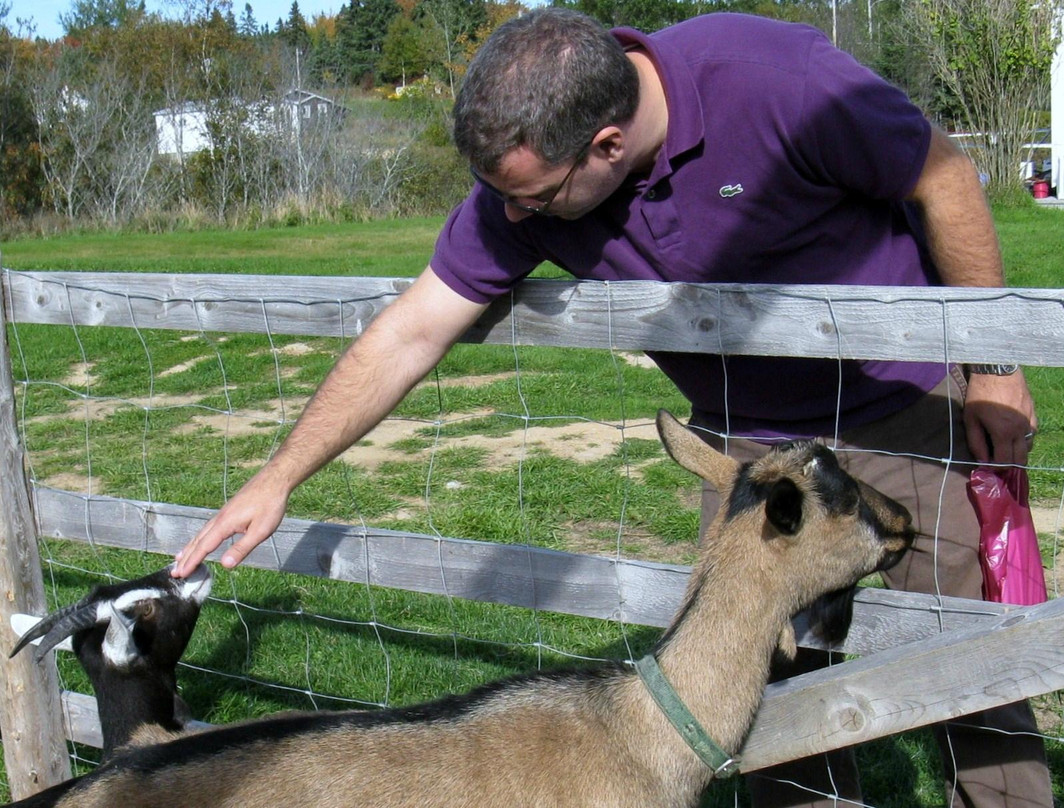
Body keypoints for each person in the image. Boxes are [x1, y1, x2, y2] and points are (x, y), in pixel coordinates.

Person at [173, 8, 1047, 806]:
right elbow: (409, 332)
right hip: (743, 447)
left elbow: (944, 175)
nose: (514, 216)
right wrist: (280, 475)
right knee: (758, 697)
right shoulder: (526, 190)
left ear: (606, 141)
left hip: (897, 401)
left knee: (969, 660)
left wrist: (994, 367)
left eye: (535, 196)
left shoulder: (774, 79)